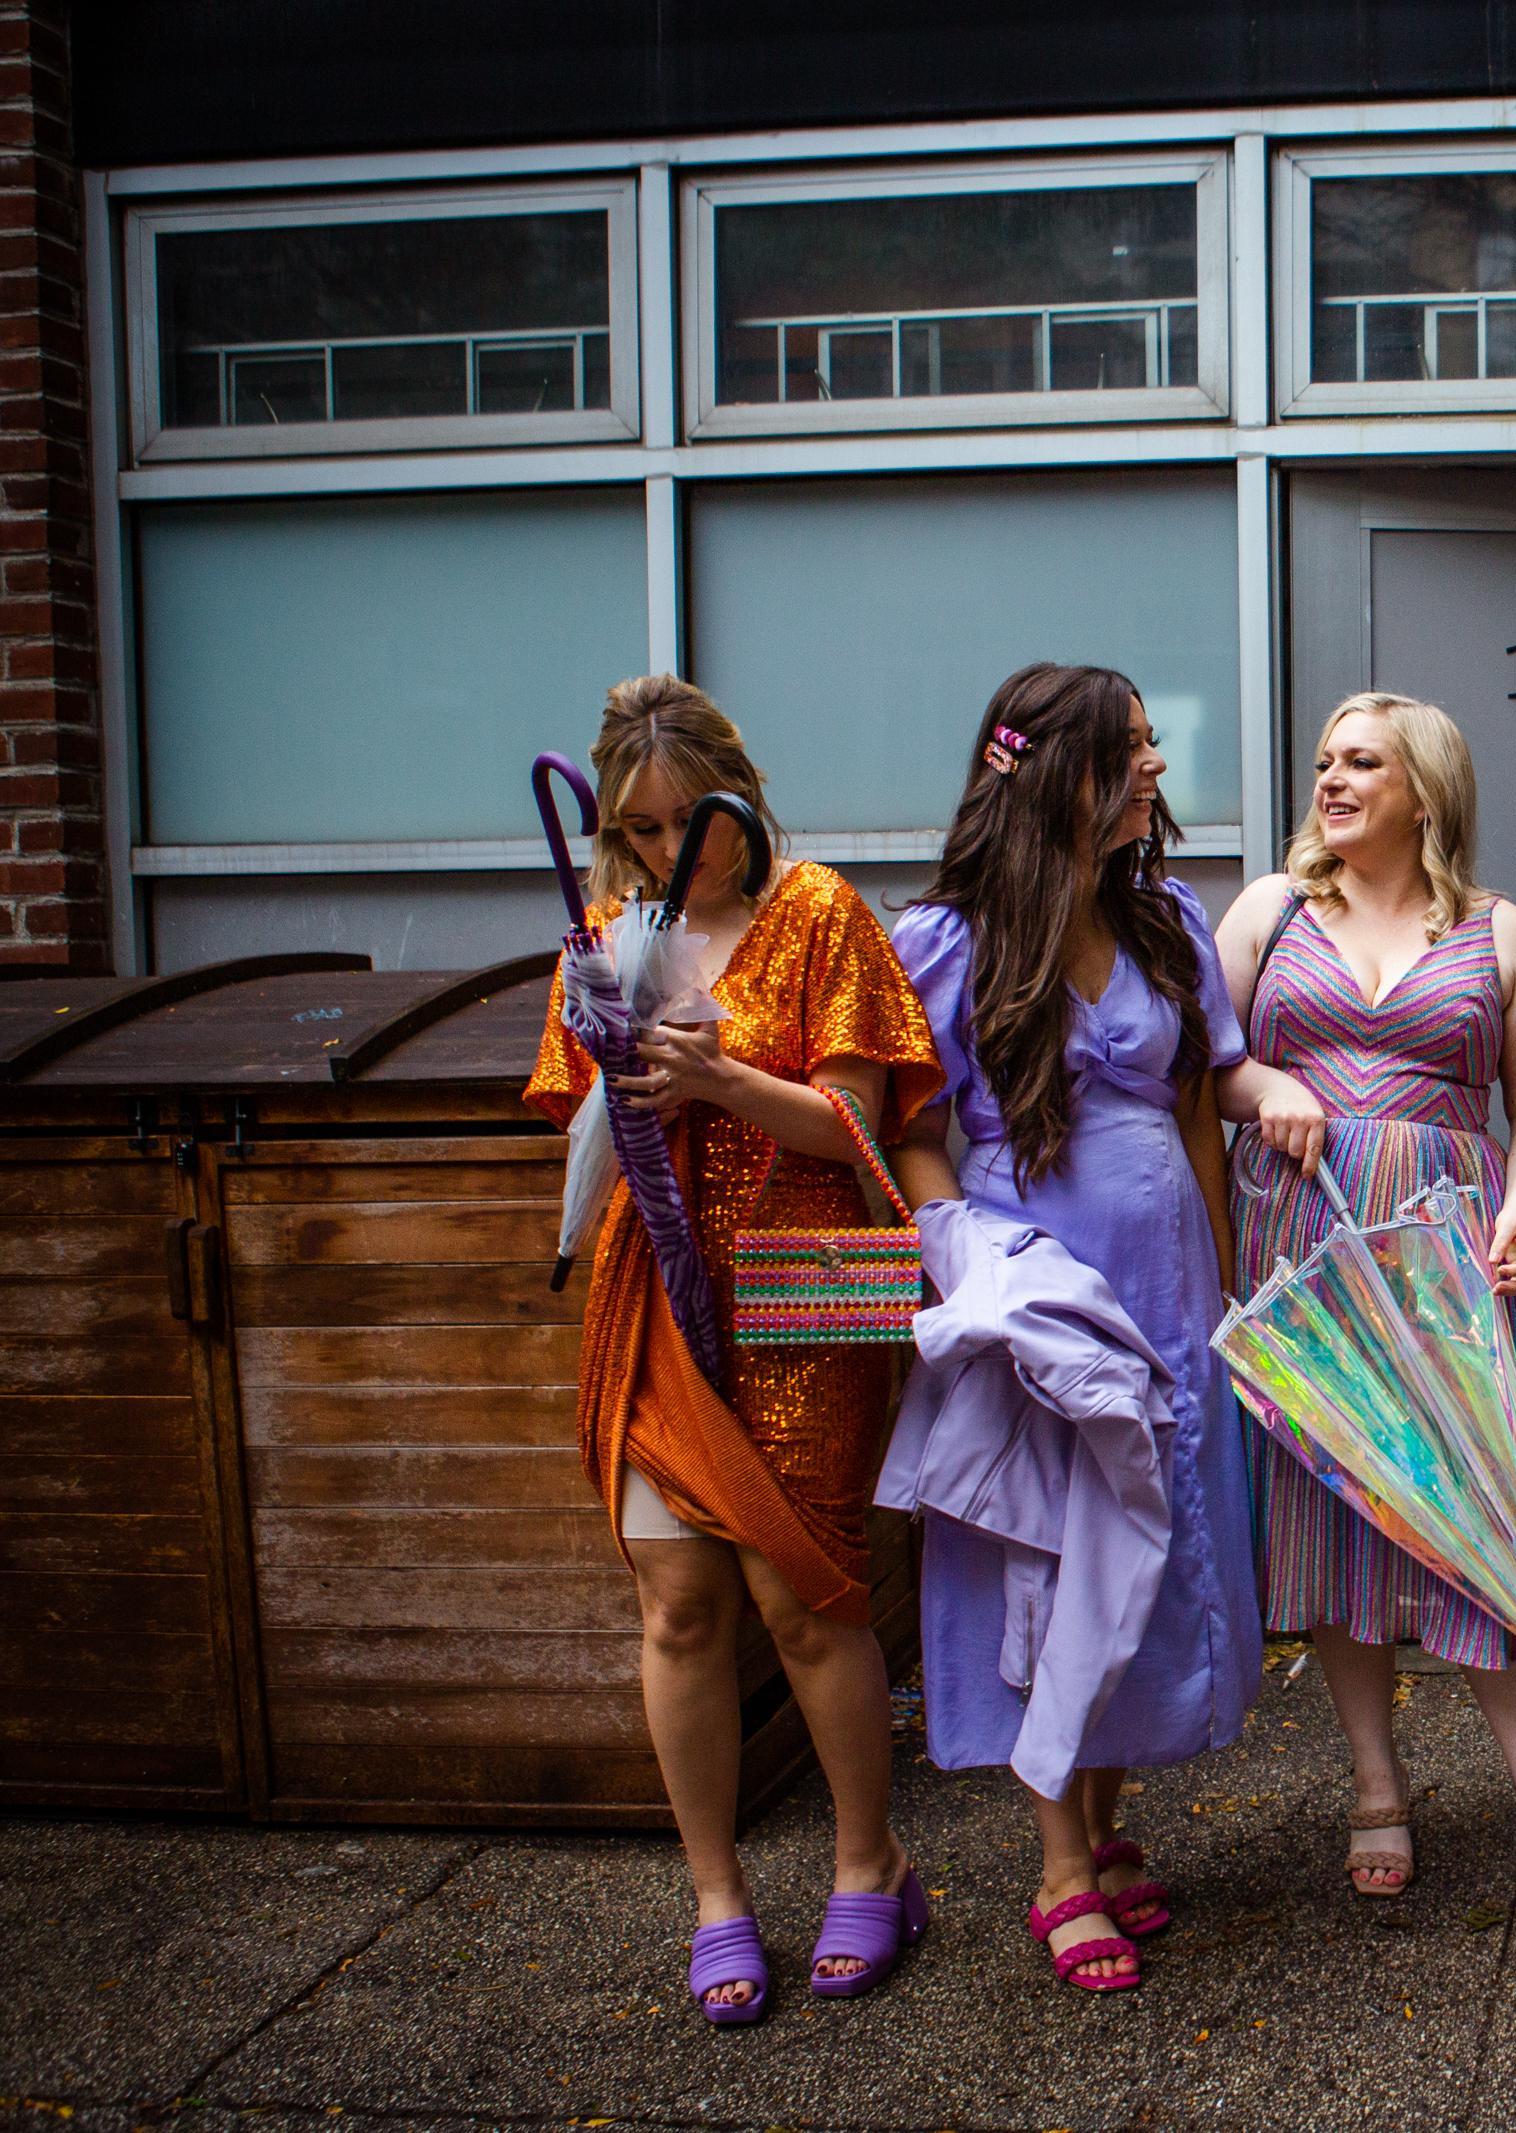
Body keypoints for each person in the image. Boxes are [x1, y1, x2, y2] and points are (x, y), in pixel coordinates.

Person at [524, 675, 943, 2024]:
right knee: (679, 1605)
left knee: (807, 1597)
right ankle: (717, 1896)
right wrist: (618, 1089)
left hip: (803, 1281)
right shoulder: (604, 939)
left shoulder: (817, 912)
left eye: (685, 824)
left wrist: (716, 1078)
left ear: (738, 803)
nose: (667, 854)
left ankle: (871, 1863)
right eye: (637, 831)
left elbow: (862, 1127)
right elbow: (576, 1139)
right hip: (653, 1290)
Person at [884, 664, 1262, 1994]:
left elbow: (1199, 1108)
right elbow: (913, 1133)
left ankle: (1102, 1828)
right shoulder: (949, 939)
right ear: (1060, 773)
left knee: (1145, 1542)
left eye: (1153, 745)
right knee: (1053, 1553)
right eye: (1131, 748)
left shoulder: (1164, 918)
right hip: (1035, 1292)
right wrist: (969, 1268)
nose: (1155, 768)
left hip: (1164, 1281)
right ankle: (1057, 1869)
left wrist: (1219, 1285)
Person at [1213, 691, 1516, 1958]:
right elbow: (1194, 1060)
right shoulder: (1270, 913)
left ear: (1422, 790)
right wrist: (1265, 1082)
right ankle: (1375, 1781)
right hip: (1305, 1244)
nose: (1329, 779)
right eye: (1324, 760)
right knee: (1336, 1507)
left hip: (1448, 1259)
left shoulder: (1497, 932)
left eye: (1361, 763)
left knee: (1482, 1513)